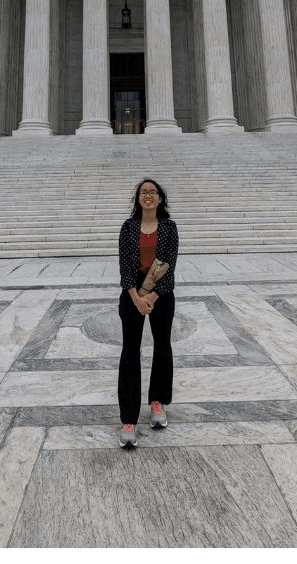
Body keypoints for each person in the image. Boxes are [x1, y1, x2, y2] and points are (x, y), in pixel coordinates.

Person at [115, 178, 178, 448]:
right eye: (143, 192)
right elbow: (124, 265)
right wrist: (136, 297)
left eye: (153, 192)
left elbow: (170, 264)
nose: (148, 196)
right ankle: (128, 419)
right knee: (130, 352)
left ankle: (157, 402)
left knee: (162, 347)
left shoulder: (169, 227)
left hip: (160, 296)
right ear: (138, 198)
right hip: (132, 296)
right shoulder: (128, 228)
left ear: (160, 198)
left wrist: (151, 296)